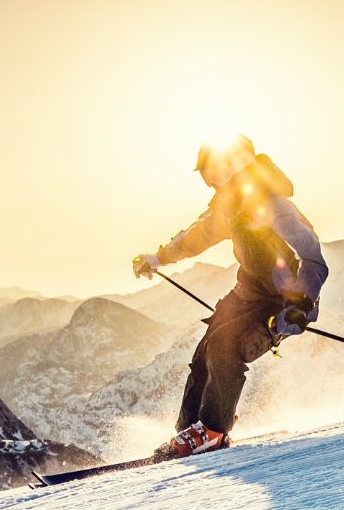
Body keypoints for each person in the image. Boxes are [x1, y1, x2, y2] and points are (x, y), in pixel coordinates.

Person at [133, 134, 328, 461]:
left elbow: (309, 256)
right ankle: (190, 430)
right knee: (205, 351)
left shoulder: (273, 205)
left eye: (212, 175)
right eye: (206, 178)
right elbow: (194, 238)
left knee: (227, 345)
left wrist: (300, 305)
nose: (210, 184)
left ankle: (212, 430)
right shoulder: (229, 208)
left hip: (283, 301)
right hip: (248, 293)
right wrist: (157, 259)